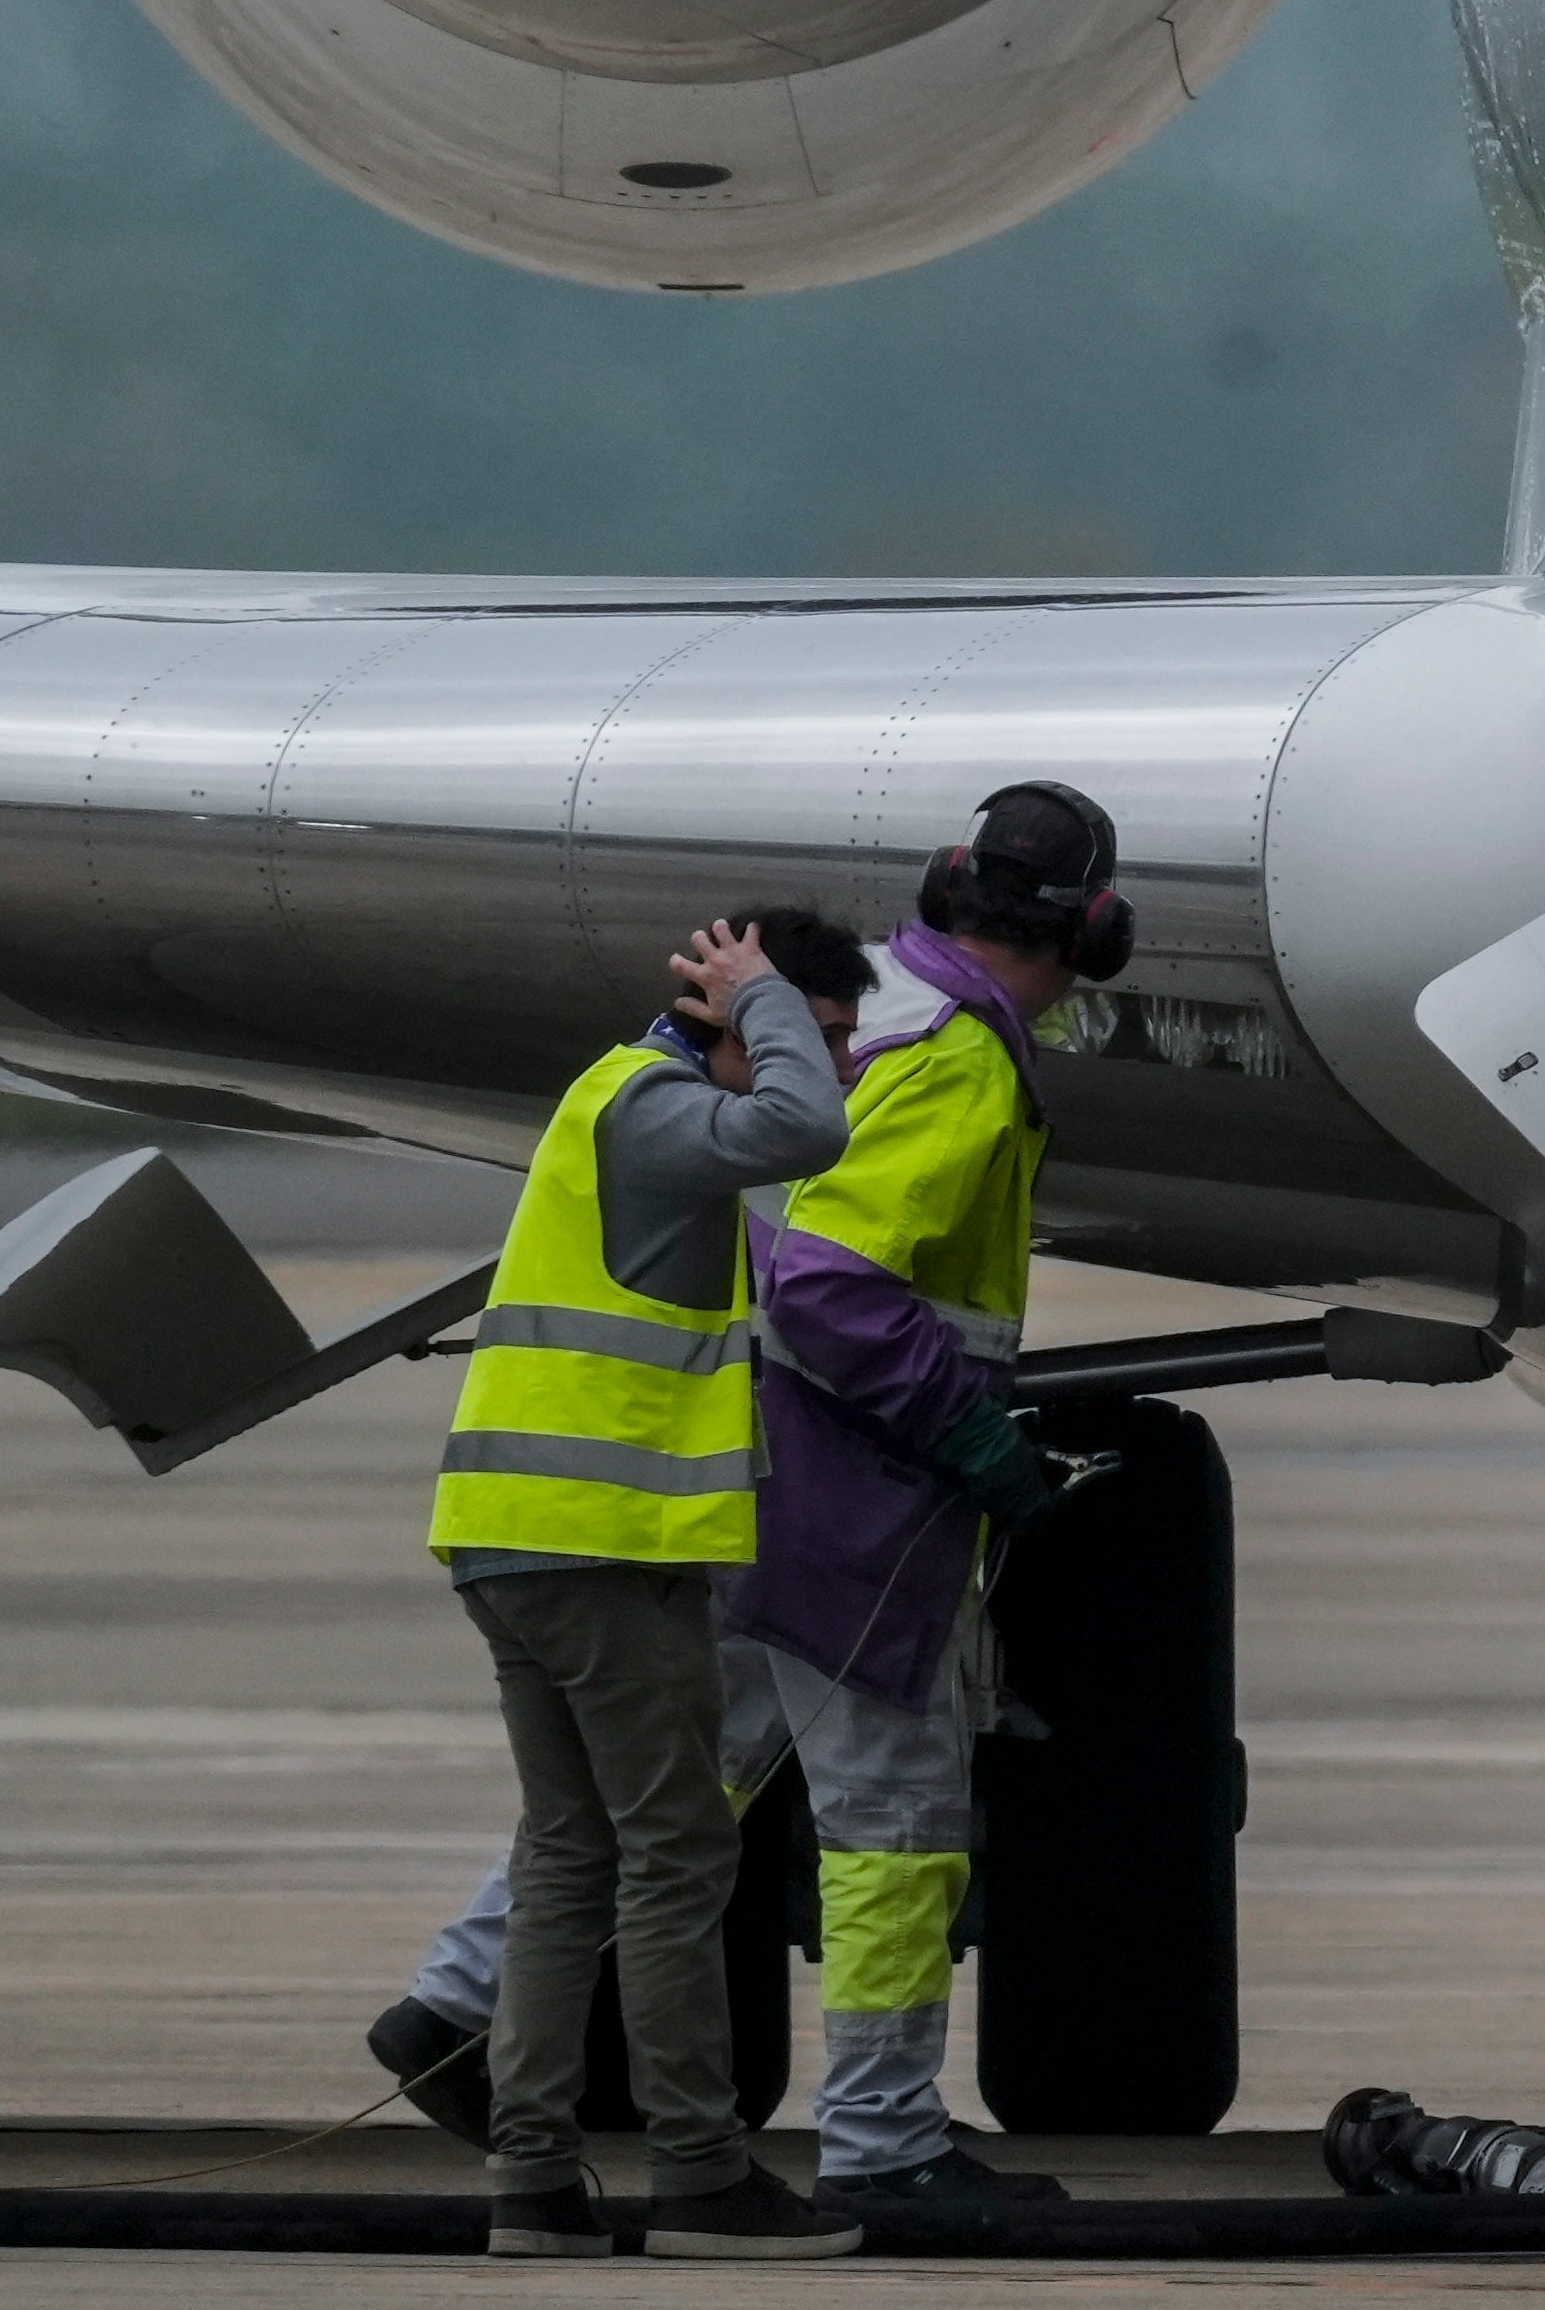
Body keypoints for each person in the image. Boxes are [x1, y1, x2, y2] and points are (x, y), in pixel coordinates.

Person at [363, 903, 870, 2150]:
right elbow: (809, 1127)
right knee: (679, 1852)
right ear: (726, 1018)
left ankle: (532, 2160)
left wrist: (765, 1013)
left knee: (571, 1851)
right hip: (595, 1547)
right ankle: (695, 2159)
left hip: (528, 1532)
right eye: (822, 1033)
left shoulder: (624, 1098)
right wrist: (761, 995)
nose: (841, 1063)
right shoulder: (656, 1112)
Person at [730, 782, 1128, 2217]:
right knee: (894, 1820)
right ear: (1093, 933)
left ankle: (460, 2009)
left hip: (724, 1467)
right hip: (858, 1497)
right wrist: (965, 1429)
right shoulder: (959, 1055)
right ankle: (886, 2139)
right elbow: (833, 1284)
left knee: (657, 1781)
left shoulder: (868, 1009)